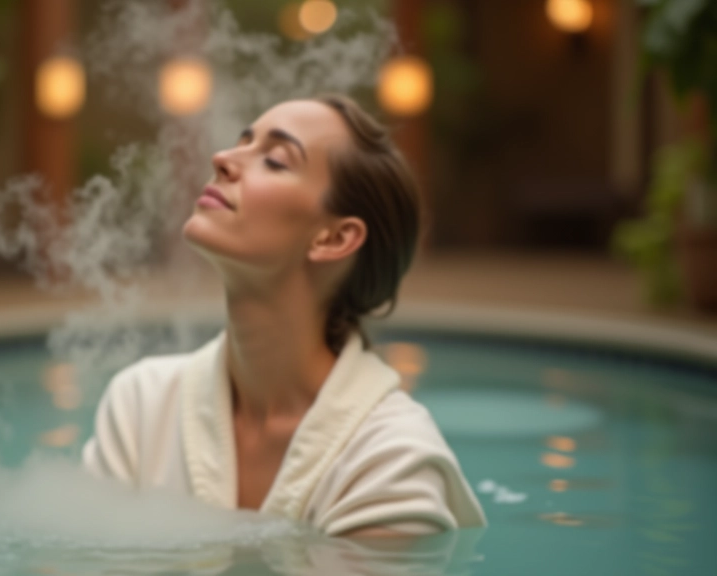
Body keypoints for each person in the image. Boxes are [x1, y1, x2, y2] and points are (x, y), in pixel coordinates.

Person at [82, 94, 486, 537]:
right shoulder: (142, 405)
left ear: (333, 238)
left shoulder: (390, 462)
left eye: (275, 160)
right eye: (242, 142)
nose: (222, 158)